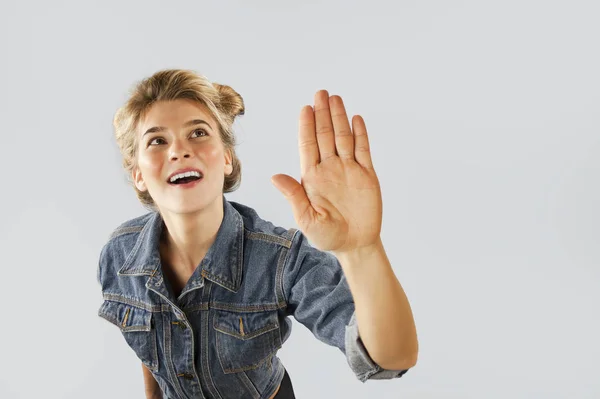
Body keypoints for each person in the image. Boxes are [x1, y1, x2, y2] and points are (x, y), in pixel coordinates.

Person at [96, 69, 418, 399]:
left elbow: (390, 358)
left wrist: (362, 248)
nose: (179, 150)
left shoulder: (281, 259)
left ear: (226, 159)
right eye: (157, 140)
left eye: (198, 133)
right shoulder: (119, 253)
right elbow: (152, 347)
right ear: (138, 175)